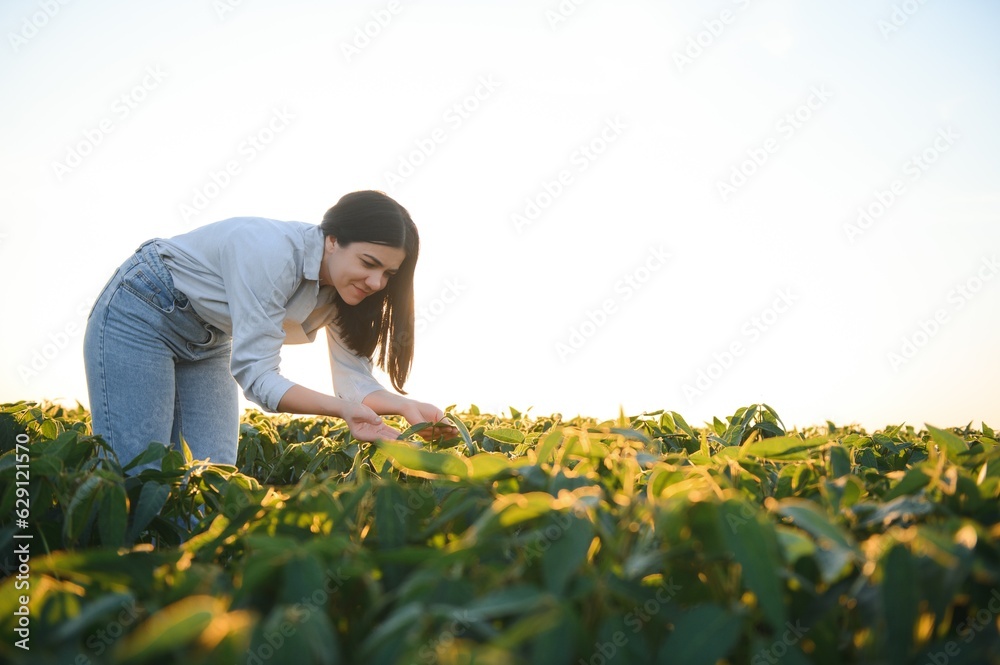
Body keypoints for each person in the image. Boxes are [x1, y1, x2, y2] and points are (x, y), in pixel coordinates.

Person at [83, 190, 455, 469]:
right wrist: (343, 411)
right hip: (144, 310)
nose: (376, 282)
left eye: (388, 274)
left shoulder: (346, 292)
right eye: (369, 263)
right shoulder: (272, 254)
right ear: (332, 239)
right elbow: (258, 376)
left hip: (209, 338)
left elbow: (354, 385)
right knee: (137, 473)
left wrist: (407, 407)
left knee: (211, 477)